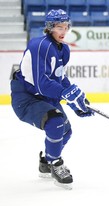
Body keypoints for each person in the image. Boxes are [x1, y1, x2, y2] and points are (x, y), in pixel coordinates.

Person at [10, 9, 95, 189]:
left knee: (65, 131)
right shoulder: (39, 45)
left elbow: (59, 77)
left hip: (44, 95)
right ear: (50, 28)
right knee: (55, 122)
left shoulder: (63, 49)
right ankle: (56, 164)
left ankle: (45, 161)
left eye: (66, 27)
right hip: (26, 97)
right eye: (59, 27)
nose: (63, 31)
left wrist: (75, 101)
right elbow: (41, 83)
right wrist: (67, 94)